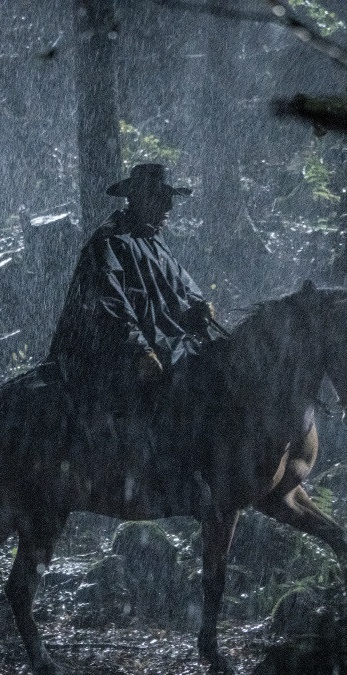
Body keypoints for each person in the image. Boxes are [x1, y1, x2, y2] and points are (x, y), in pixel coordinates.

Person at [47, 163, 216, 517]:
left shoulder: (154, 241)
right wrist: (138, 349)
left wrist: (198, 308)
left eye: (169, 199)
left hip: (162, 342)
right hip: (109, 351)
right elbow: (108, 304)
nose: (168, 207)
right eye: (160, 199)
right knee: (163, 392)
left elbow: (181, 290)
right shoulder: (108, 243)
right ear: (137, 199)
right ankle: (151, 481)